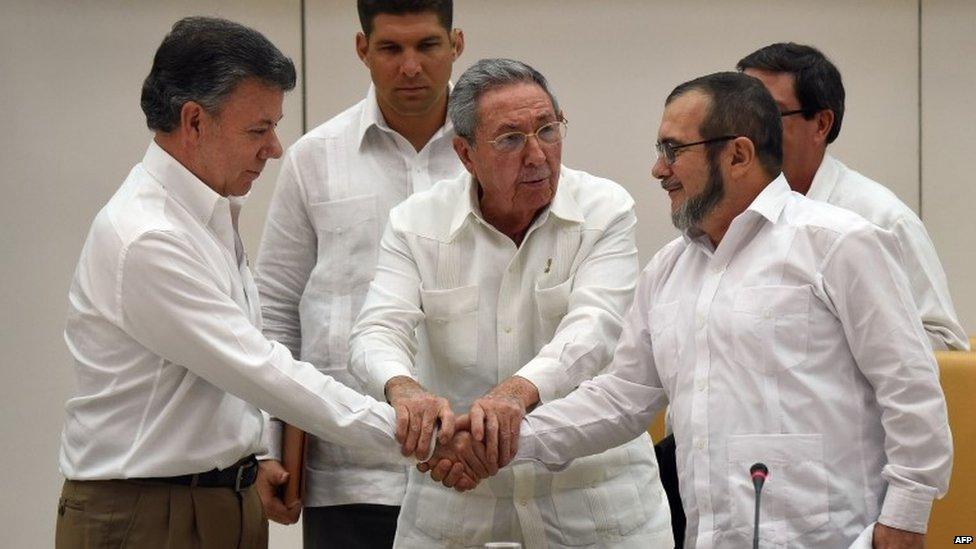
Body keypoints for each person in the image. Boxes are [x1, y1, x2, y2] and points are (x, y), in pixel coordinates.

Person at [55, 16, 477, 549]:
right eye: (259, 130)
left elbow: (244, 363)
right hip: (148, 514)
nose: (275, 149)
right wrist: (419, 434)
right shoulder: (149, 236)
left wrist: (264, 452)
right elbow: (260, 367)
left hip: (217, 497)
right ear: (194, 122)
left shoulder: (208, 214)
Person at [499, 72, 951, 548]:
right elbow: (622, 397)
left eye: (673, 150)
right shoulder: (668, 270)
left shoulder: (841, 245)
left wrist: (906, 515)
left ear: (737, 155)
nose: (658, 169)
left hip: (833, 536)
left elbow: (910, 388)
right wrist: (507, 441)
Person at [349, 58, 672, 548]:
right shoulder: (415, 222)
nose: (538, 154)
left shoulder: (606, 210)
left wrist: (514, 395)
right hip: (458, 503)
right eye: (510, 138)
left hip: (597, 504)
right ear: (465, 153)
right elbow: (377, 330)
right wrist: (405, 391)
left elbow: (593, 330)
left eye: (548, 129)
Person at [253, 0, 466, 545]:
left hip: (470, 465)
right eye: (391, 48)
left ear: (456, 44)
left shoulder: (491, 156)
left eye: (427, 45)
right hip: (348, 475)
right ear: (361, 49)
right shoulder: (314, 157)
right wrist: (270, 448)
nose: (410, 66)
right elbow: (275, 308)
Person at [737, 42, 968, 351]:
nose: (750, 131)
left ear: (821, 124)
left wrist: (826, 353)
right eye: (741, 115)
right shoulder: (733, 214)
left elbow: (946, 345)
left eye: (769, 115)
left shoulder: (880, 218)